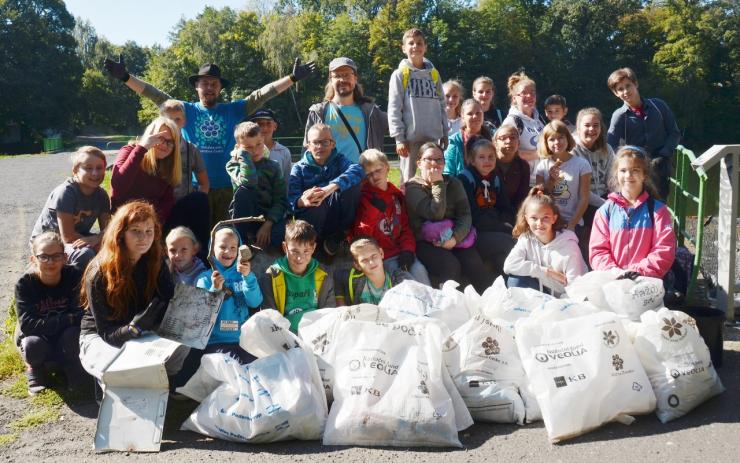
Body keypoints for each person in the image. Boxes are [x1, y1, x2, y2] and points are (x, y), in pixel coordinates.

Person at [103, 55, 316, 224]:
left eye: (214, 83)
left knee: (227, 236)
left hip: (228, 186)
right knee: (197, 235)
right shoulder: (185, 110)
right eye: (204, 83)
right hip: (194, 189)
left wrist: (292, 78)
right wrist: (126, 77)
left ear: (220, 88)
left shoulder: (234, 109)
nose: (209, 87)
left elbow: (262, 95)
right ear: (197, 86)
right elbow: (154, 94)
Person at [79, 201, 189, 381]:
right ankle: (110, 393)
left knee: (183, 342)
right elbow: (107, 333)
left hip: (144, 331)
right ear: (121, 234)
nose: (143, 238)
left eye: (149, 231)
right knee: (119, 370)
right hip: (101, 336)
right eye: (136, 231)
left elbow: (168, 303)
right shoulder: (99, 272)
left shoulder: (156, 262)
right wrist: (133, 328)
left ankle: (164, 384)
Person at [405, 142, 492, 293]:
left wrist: (455, 238)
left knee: (473, 261)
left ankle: (490, 302)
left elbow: (465, 215)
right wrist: (438, 183)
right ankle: (448, 305)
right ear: (419, 163)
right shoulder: (413, 188)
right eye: (429, 159)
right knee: (450, 265)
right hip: (425, 241)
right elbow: (435, 214)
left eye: (439, 160)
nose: (434, 163)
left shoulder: (453, 183)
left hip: (453, 236)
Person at [589, 146, 676, 280]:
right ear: (616, 174)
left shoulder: (658, 211)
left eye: (635, 170)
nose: (628, 175)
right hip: (614, 281)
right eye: (623, 170)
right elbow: (597, 251)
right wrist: (614, 272)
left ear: (644, 175)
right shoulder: (604, 212)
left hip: (646, 281)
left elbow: (664, 249)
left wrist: (637, 272)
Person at [15, 232, 86, 394]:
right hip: (39, 341)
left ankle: (71, 365)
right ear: (33, 259)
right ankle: (35, 368)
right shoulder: (25, 284)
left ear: (65, 258)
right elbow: (28, 325)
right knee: (31, 344)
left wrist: (67, 321)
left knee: (74, 334)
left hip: (66, 338)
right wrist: (68, 318)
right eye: (44, 257)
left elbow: (82, 314)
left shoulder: (74, 276)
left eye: (56, 256)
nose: (50, 262)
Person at [351, 149, 430, 284]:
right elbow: (362, 236)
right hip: (381, 256)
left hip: (401, 251)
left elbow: (405, 227)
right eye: (369, 174)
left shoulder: (396, 196)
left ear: (387, 168)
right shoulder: (363, 197)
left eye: (378, 170)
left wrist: (408, 250)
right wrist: (374, 210)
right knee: (404, 280)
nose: (375, 176)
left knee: (420, 270)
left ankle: (432, 304)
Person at [288, 124, 363, 256]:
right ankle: (313, 245)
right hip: (312, 219)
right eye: (316, 142)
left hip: (336, 215)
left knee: (352, 185)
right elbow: (290, 201)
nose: (320, 147)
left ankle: (341, 235)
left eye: (325, 142)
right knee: (316, 199)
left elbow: (358, 170)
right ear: (308, 145)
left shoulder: (339, 160)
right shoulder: (299, 168)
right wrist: (302, 201)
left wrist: (331, 187)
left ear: (333, 144)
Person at [30, 146, 110, 270]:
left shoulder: (102, 195)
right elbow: (68, 236)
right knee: (85, 254)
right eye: (88, 168)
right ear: (75, 170)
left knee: (114, 246)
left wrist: (97, 238)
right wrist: (94, 242)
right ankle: (74, 286)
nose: (95, 173)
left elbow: (108, 230)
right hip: (49, 241)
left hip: (79, 237)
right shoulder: (66, 193)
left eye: (99, 168)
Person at [606, 67, 680, 200]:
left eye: (628, 86)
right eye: (620, 89)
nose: (625, 91)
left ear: (636, 84)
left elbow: (674, 133)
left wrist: (664, 155)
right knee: (636, 205)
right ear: (615, 93)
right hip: (634, 171)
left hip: (660, 167)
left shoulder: (659, 106)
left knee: (659, 205)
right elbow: (610, 145)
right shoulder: (618, 116)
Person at [388, 28, 449, 184]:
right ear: (403, 48)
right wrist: (398, 139)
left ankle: (430, 207)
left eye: (419, 43)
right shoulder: (400, 74)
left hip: (432, 138)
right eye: (411, 43)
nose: (415, 46)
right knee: (408, 181)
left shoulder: (434, 74)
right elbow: (394, 107)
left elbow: (442, 104)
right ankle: (407, 208)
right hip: (410, 140)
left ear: (425, 46)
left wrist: (445, 132)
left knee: (432, 177)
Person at [504, 187, 587, 296]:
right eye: (534, 218)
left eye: (546, 217)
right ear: (526, 219)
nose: (539, 223)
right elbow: (509, 265)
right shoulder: (526, 239)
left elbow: (576, 289)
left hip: (565, 298)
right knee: (515, 281)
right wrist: (546, 272)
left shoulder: (569, 246)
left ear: (554, 218)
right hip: (543, 292)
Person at [195, 227, 262, 362]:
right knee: (230, 369)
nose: (228, 252)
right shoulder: (206, 278)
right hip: (216, 342)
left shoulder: (243, 274)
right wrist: (215, 289)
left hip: (244, 340)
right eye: (222, 247)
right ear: (212, 248)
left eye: (233, 247)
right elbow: (201, 315)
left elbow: (255, 302)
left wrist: (248, 277)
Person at [304, 57, 387, 164]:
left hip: (363, 177)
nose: (342, 80)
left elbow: (398, 123)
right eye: (337, 76)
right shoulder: (318, 112)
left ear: (355, 78)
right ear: (330, 79)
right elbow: (307, 151)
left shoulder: (371, 111)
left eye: (347, 75)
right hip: (330, 178)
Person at [259, 220, 335, 332]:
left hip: (317, 333)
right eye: (295, 251)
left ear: (313, 248)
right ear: (285, 247)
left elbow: (329, 313)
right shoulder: (271, 276)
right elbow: (271, 318)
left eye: (306, 251)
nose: (300, 258)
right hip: (286, 336)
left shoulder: (324, 274)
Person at [159, 99, 211, 256]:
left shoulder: (191, 150)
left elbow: (204, 183)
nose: (173, 123)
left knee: (201, 200)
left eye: (177, 119)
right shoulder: (153, 147)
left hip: (182, 206)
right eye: (169, 119)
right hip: (159, 208)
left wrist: (195, 203)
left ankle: (202, 255)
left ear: (184, 121)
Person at [458, 138, 516, 276]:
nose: (487, 161)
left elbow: (505, 207)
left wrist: (507, 223)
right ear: (472, 161)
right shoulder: (465, 179)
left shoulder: (495, 178)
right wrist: (502, 227)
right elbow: (471, 214)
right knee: (508, 242)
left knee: (502, 256)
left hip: (494, 226)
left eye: (491, 157)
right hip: (474, 231)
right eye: (481, 157)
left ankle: (509, 285)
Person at [226, 122, 288, 249]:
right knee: (244, 190)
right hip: (245, 218)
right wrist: (243, 156)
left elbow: (280, 199)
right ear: (239, 147)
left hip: (268, 217)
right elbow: (249, 181)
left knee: (281, 235)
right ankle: (242, 241)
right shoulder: (233, 165)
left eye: (259, 144)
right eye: (248, 147)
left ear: (263, 140)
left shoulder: (273, 166)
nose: (255, 150)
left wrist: (268, 224)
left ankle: (261, 239)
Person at [110, 116, 181, 223]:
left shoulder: (167, 163)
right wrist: (142, 148)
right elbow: (118, 186)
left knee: (197, 200)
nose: (165, 145)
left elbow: (167, 202)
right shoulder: (129, 151)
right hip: (125, 219)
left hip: (153, 223)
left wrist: (152, 224)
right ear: (149, 137)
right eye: (161, 139)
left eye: (170, 142)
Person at [534, 121, 592, 236]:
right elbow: (539, 198)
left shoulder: (582, 164)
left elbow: (584, 198)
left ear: (568, 138)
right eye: (551, 139)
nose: (557, 142)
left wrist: (572, 225)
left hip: (573, 221)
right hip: (548, 222)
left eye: (561, 137)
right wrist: (550, 181)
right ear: (545, 143)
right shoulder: (542, 166)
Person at [572, 108, 615, 259]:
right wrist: (604, 204)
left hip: (604, 197)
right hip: (582, 199)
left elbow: (613, 179)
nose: (591, 129)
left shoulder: (607, 149)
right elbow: (578, 189)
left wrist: (616, 200)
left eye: (596, 125)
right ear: (578, 128)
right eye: (587, 125)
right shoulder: (572, 150)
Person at [334, 237, 411, 306]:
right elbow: (337, 275)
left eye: (374, 256)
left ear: (381, 253)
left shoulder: (400, 279)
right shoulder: (350, 279)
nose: (371, 262)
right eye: (364, 260)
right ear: (357, 265)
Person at [502, 71, 546, 186]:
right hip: (523, 183)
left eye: (532, 93)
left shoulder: (540, 119)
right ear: (514, 98)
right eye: (524, 93)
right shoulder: (512, 121)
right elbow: (506, 152)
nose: (529, 96)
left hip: (543, 180)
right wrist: (539, 154)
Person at [443, 99, 492, 176]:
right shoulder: (454, 141)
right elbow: (448, 172)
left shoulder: (492, 137)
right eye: (470, 114)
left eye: (478, 113)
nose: (475, 116)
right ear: (462, 117)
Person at [248, 109, 292, 188]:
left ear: (275, 126)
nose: (264, 128)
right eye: (260, 124)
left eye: (268, 123)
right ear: (253, 127)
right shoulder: (248, 150)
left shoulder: (284, 152)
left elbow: (287, 180)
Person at [494, 124, 530, 211]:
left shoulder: (523, 166)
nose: (508, 141)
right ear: (495, 143)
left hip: (512, 212)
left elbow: (522, 197)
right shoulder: (487, 163)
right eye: (503, 138)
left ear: (519, 143)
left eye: (513, 137)